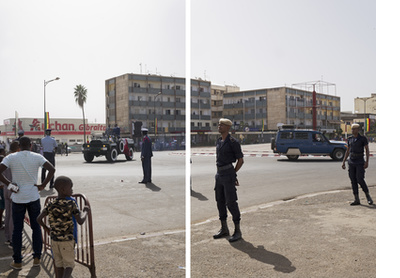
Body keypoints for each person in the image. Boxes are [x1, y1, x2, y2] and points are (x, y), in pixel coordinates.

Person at [0, 136, 55, 270]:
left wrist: (9, 185)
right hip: (33, 196)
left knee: (17, 230)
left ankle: (18, 261)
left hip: (18, 198)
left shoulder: (11, 157)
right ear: (30, 145)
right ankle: (37, 257)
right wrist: (43, 185)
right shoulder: (37, 157)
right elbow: (52, 169)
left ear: (19, 146)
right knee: (36, 228)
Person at [37, 176, 89, 278]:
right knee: (69, 265)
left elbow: (39, 219)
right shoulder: (71, 203)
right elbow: (80, 221)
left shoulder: (51, 204)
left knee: (59, 265)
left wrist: (47, 228)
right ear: (63, 190)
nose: (72, 190)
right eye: (71, 188)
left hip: (54, 241)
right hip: (67, 240)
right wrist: (85, 211)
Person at [213, 118, 244, 242]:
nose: (219, 126)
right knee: (220, 201)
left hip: (228, 174)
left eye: (222, 125)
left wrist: (233, 174)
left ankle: (237, 230)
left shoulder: (233, 142)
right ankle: (224, 228)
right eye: (219, 124)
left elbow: (240, 160)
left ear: (228, 127)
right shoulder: (219, 141)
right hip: (219, 174)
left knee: (231, 202)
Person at [342, 123, 373, 206]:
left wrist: (367, 162)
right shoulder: (350, 139)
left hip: (359, 161)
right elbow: (348, 151)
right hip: (351, 161)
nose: (352, 131)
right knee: (353, 180)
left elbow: (367, 150)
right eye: (352, 129)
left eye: (354, 129)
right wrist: (344, 161)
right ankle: (356, 199)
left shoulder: (363, 139)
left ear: (358, 130)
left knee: (360, 179)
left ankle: (368, 196)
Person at [0, 142, 20, 248]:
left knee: (8, 214)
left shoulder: (6, 158)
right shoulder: (15, 158)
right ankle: (13, 239)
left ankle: (8, 237)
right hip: (13, 188)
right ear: (17, 148)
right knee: (13, 215)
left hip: (6, 189)